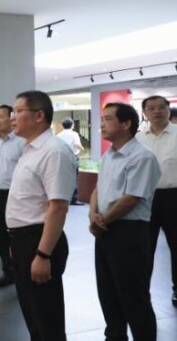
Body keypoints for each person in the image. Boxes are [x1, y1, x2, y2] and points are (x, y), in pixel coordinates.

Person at [6, 90, 76, 341]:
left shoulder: (54, 151)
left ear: (38, 115)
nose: (12, 117)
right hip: (23, 240)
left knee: (47, 321)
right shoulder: (30, 149)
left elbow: (58, 207)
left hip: (40, 240)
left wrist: (43, 254)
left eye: (18, 111)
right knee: (33, 317)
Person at [91, 102, 161, 340]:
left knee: (133, 296)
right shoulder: (109, 154)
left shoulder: (142, 157)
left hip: (129, 231)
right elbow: (98, 188)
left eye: (108, 119)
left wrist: (102, 220)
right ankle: (114, 336)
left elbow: (131, 198)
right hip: (105, 229)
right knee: (107, 292)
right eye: (102, 119)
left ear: (126, 123)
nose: (101, 124)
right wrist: (93, 214)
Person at [136, 95, 177, 308]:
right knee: (144, 248)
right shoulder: (138, 139)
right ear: (145, 113)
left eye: (161, 107)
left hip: (174, 197)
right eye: (151, 108)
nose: (157, 111)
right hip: (146, 198)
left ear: (168, 110)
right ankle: (142, 292)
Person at [0, 104, 23, 288]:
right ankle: (8, 271)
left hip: (14, 194)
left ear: (11, 118)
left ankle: (21, 271)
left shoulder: (21, 142)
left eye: (1, 116)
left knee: (16, 235)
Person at [56, 117, 84, 205]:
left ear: (62, 125)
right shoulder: (74, 134)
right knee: (73, 178)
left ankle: (62, 198)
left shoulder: (58, 135)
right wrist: (82, 148)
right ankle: (73, 199)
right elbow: (77, 144)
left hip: (61, 158)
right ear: (72, 125)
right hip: (72, 157)